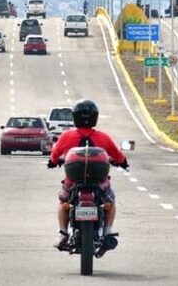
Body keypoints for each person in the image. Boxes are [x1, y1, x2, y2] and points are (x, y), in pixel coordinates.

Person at [48, 98, 128, 250]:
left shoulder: (66, 136)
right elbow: (118, 155)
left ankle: (63, 233)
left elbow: (54, 155)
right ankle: (108, 231)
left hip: (72, 183)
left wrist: (53, 161)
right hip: (99, 183)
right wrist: (123, 162)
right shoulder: (104, 137)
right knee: (111, 201)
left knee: (63, 202)